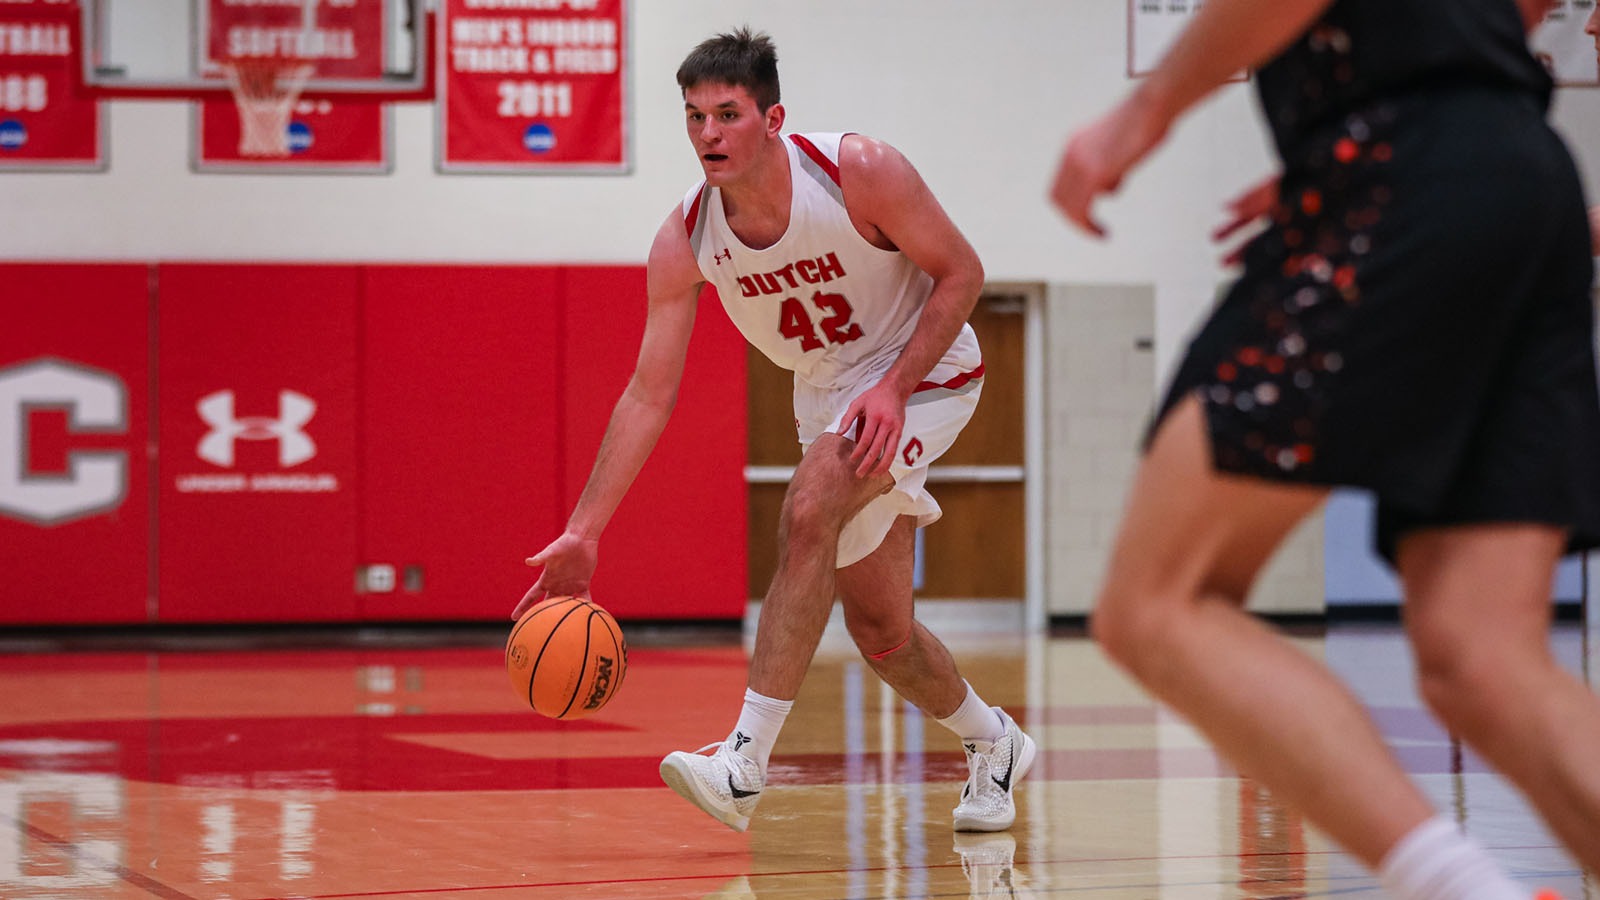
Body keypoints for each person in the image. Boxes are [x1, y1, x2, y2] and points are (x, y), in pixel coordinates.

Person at [1050, 0, 1600, 898]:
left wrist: (1138, 116)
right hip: (1521, 172)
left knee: (1156, 604)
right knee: (1484, 658)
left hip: (1399, 163)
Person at [513, 27, 1034, 834]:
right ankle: (993, 742)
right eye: (694, 117)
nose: (709, 134)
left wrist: (895, 389)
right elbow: (649, 394)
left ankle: (745, 764)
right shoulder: (684, 239)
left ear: (773, 118)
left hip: (921, 372)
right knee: (882, 633)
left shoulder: (859, 172)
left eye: (727, 114)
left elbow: (962, 272)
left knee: (808, 506)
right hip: (828, 396)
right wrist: (584, 531)